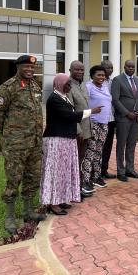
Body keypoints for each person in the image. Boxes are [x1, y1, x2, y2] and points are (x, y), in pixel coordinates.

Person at [0, 54, 46, 235]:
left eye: (32, 68)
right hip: (16, 143)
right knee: (14, 179)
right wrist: (9, 135)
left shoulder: (34, 86)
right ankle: (9, 217)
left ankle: (28, 211)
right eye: (26, 67)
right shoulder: (8, 88)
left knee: (33, 177)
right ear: (18, 68)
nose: (30, 70)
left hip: (35, 142)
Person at [40, 74, 101, 215]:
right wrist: (91, 111)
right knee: (56, 171)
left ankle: (60, 199)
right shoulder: (54, 99)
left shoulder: (63, 97)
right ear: (60, 84)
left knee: (63, 171)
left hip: (66, 139)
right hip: (56, 140)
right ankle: (53, 203)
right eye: (68, 84)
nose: (70, 86)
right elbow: (71, 116)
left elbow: (71, 114)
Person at [111, 60, 138, 182]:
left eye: (133, 66)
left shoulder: (136, 80)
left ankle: (130, 169)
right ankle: (120, 171)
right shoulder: (117, 80)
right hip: (123, 118)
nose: (131, 68)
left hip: (135, 118)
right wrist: (126, 113)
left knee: (132, 144)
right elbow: (115, 100)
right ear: (124, 67)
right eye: (129, 66)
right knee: (121, 144)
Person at [66, 60, 93, 199]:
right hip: (78, 132)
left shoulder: (83, 85)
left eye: (82, 70)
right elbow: (70, 111)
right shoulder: (68, 86)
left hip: (86, 130)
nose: (80, 72)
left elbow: (86, 108)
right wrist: (78, 130)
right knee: (75, 161)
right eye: (77, 70)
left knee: (81, 160)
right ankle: (73, 190)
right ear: (70, 70)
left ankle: (79, 186)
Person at [84, 65, 112, 191]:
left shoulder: (105, 87)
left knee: (99, 152)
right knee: (90, 151)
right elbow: (84, 104)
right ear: (92, 76)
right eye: (98, 75)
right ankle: (85, 179)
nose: (101, 77)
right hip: (93, 123)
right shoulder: (88, 87)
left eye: (103, 75)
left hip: (104, 124)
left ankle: (96, 177)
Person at [100, 60, 117, 179]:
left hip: (111, 119)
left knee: (108, 145)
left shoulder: (113, 82)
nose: (110, 70)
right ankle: (95, 172)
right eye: (107, 68)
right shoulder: (95, 83)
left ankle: (104, 170)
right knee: (98, 146)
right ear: (101, 68)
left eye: (111, 68)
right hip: (100, 119)